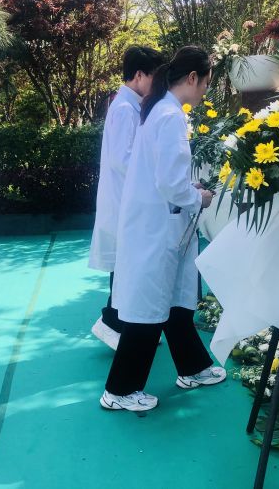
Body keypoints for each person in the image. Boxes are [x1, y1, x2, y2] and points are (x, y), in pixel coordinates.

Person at [101, 46, 226, 412]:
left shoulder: (160, 110)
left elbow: (165, 176)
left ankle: (193, 367)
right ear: (193, 78)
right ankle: (120, 390)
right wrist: (198, 196)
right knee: (149, 308)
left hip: (158, 223)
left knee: (173, 301)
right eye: (206, 83)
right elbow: (170, 182)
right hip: (157, 226)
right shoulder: (169, 116)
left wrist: (188, 191)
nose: (205, 91)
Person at [89, 46, 165, 350]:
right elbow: (123, 158)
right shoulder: (124, 108)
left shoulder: (130, 105)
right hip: (123, 200)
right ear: (139, 75)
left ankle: (122, 324)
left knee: (126, 264)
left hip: (125, 199)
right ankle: (113, 322)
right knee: (126, 265)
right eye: (155, 76)